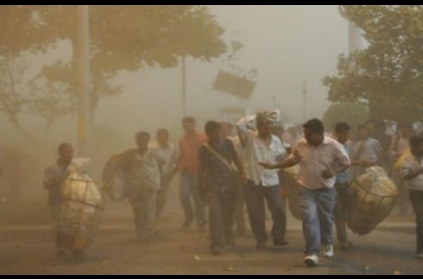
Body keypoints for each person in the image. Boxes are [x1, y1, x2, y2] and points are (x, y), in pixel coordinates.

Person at [260, 118, 351, 267]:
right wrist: (274, 166)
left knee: (326, 219)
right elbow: (293, 160)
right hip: (306, 189)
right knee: (309, 219)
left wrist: (334, 172)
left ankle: (327, 243)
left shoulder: (334, 146)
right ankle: (311, 252)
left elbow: (346, 162)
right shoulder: (301, 144)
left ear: (319, 133)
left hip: (326, 189)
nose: (306, 137)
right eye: (305, 134)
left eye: (309, 134)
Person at [236, 111, 289, 250]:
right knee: (255, 213)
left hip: (272, 182)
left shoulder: (276, 140)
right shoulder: (249, 138)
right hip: (252, 182)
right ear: (258, 126)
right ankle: (261, 239)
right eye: (265, 125)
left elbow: (281, 156)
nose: (268, 129)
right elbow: (239, 125)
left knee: (278, 209)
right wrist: (255, 115)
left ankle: (278, 237)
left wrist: (284, 158)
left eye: (270, 125)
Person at [198, 121, 247, 255]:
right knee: (215, 216)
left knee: (228, 214)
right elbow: (201, 170)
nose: (218, 135)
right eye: (214, 133)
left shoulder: (228, 143)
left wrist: (243, 172)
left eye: (219, 132)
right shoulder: (203, 149)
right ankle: (216, 244)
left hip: (230, 184)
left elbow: (236, 159)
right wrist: (200, 189)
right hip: (212, 186)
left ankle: (229, 238)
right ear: (208, 134)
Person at [109, 132, 163, 242]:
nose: (143, 143)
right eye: (140, 140)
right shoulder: (131, 153)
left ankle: (146, 231)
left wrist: (159, 183)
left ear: (148, 141)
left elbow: (159, 166)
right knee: (137, 211)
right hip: (135, 185)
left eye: (145, 140)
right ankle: (140, 231)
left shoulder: (153, 153)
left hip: (149, 184)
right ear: (137, 141)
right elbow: (121, 165)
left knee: (147, 209)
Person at [43, 143, 73, 257]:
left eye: (71, 152)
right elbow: (46, 184)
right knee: (59, 226)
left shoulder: (74, 168)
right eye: (67, 152)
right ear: (60, 153)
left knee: (72, 224)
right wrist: (59, 181)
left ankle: (70, 247)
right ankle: (61, 248)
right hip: (56, 201)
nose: (70, 155)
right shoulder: (51, 169)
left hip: (72, 201)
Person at [395, 135, 423, 260]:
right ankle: (420, 249)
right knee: (421, 219)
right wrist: (419, 170)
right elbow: (405, 176)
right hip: (416, 192)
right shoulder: (406, 159)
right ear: (415, 146)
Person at [178, 116, 207, 229]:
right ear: (183, 126)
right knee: (183, 196)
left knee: (198, 197)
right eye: (187, 124)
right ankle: (189, 217)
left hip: (199, 171)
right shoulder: (181, 140)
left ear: (194, 124)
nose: (189, 126)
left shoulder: (203, 138)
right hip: (185, 171)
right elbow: (182, 154)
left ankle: (201, 221)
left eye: (191, 123)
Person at [220, 121, 247, 237]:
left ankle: (240, 228)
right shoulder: (215, 143)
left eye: (225, 129)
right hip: (222, 175)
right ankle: (226, 228)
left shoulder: (234, 141)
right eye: (220, 129)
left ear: (230, 130)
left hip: (236, 174)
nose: (222, 131)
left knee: (237, 202)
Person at [149, 129, 179, 228]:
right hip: (153, 177)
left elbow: (175, 161)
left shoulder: (171, 148)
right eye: (160, 137)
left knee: (161, 201)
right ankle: (150, 222)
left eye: (164, 137)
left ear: (167, 137)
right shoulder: (152, 148)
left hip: (165, 177)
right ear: (157, 137)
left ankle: (155, 222)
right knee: (152, 200)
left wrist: (172, 173)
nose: (162, 139)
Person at [333, 122, 353, 251]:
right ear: (337, 133)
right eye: (344, 133)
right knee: (339, 212)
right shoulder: (332, 147)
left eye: (348, 133)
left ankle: (342, 237)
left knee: (345, 212)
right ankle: (343, 240)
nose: (346, 135)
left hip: (345, 183)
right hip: (333, 184)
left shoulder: (348, 146)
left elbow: (347, 163)